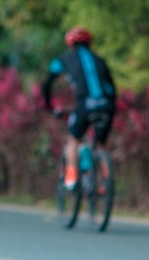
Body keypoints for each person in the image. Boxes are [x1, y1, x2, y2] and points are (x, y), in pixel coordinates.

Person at [42, 27, 117, 190]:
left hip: (85, 105)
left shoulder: (64, 59)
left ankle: (71, 178)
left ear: (70, 44)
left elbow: (48, 83)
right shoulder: (100, 60)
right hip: (107, 106)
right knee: (100, 144)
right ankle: (105, 180)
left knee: (74, 138)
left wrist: (48, 105)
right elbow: (112, 88)